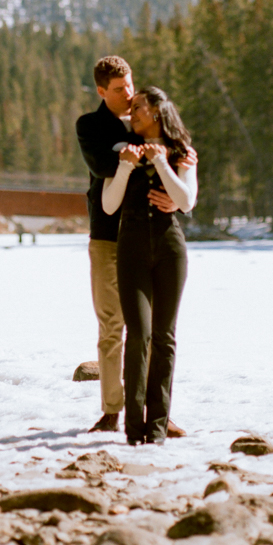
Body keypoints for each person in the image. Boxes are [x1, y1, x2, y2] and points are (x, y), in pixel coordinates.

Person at [75, 57, 190, 436]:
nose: (128, 95)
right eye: (120, 89)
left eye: (131, 87)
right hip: (109, 236)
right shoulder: (91, 126)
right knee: (114, 326)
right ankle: (113, 409)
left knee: (157, 330)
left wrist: (175, 167)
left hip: (153, 236)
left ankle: (157, 412)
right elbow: (102, 165)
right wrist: (131, 157)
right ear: (101, 91)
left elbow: (176, 161)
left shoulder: (145, 124)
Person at [101, 87, 197, 445]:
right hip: (132, 248)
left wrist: (160, 162)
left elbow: (187, 201)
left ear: (158, 111)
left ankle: (157, 427)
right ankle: (133, 428)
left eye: (139, 107)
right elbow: (110, 205)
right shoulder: (122, 151)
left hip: (170, 248)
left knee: (164, 337)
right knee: (138, 335)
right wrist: (126, 165)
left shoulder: (182, 154)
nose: (132, 112)